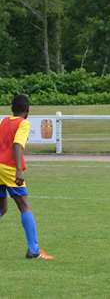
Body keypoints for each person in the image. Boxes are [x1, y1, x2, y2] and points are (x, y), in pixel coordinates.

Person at [0, 94, 54, 260]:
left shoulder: (4, 121)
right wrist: (18, 170)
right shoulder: (23, 123)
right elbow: (17, 145)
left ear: (12, 108)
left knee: (2, 208)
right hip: (9, 168)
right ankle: (34, 249)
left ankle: (34, 249)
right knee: (24, 206)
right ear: (27, 110)